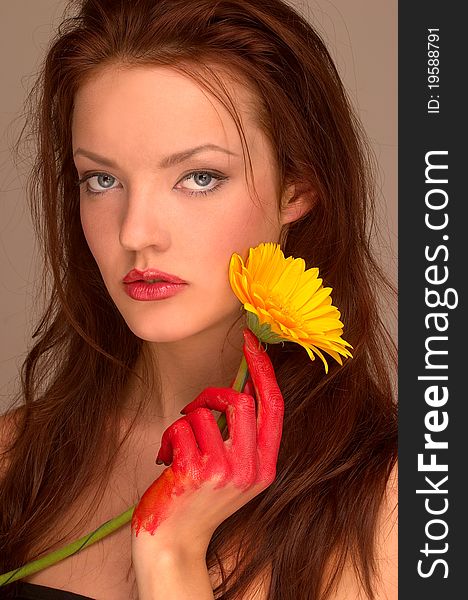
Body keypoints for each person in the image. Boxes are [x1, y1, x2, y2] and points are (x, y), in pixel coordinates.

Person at [0, 0, 398, 598]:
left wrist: (172, 555)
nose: (136, 233)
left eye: (199, 178)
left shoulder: (394, 506)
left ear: (298, 189)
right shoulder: (13, 462)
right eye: (101, 180)